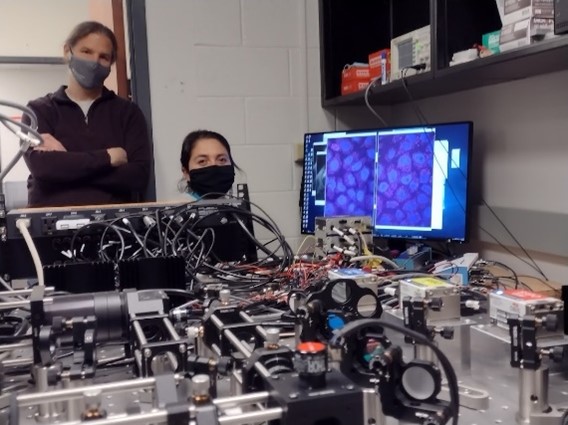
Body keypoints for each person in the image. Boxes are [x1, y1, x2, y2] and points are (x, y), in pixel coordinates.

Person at [23, 21, 152, 207]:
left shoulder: (128, 113)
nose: (94, 62)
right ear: (68, 51)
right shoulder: (38, 111)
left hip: (115, 228)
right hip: (50, 226)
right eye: (86, 52)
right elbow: (43, 168)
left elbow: (137, 176)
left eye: (103, 57)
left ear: (111, 63)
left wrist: (66, 163)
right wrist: (107, 158)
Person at [180, 130, 240, 200]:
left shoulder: (238, 208)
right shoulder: (177, 209)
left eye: (222, 160)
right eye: (202, 161)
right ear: (186, 172)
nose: (213, 166)